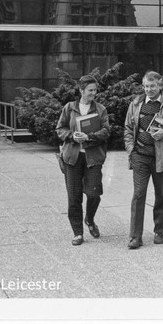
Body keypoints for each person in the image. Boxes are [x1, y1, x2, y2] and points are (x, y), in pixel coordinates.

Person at [124, 70, 163, 249]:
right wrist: (131, 149)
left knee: (161, 195)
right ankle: (135, 236)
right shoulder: (136, 103)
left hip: (161, 157)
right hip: (140, 156)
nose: (149, 90)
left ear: (160, 85)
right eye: (146, 86)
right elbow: (128, 129)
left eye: (152, 86)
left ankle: (159, 231)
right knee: (138, 195)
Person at [56, 75, 110, 246]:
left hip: (93, 157)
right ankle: (78, 233)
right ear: (81, 90)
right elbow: (60, 129)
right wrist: (72, 136)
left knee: (94, 193)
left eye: (95, 90)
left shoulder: (100, 109)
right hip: (72, 157)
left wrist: (89, 137)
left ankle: (90, 219)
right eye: (90, 90)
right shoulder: (69, 108)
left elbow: (106, 131)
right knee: (74, 197)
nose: (93, 93)